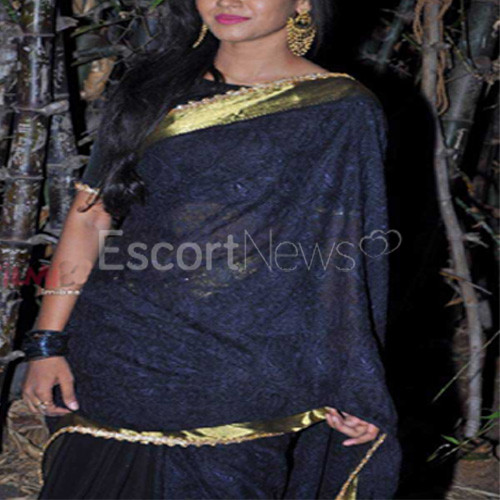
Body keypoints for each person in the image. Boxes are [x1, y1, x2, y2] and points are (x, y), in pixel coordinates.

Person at [21, 0, 402, 498]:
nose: (228, 1)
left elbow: (341, 258)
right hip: (119, 348)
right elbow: (91, 214)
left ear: (303, 2)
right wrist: (47, 343)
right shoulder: (151, 89)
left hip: (246, 367)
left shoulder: (340, 110)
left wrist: (350, 378)